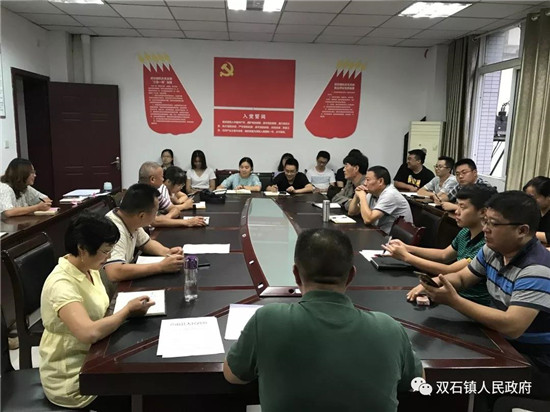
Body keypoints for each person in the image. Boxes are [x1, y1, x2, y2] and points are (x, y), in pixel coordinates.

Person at [223, 228, 423, 412]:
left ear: (295, 274)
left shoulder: (267, 321)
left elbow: (233, 375)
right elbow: (417, 381)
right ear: (351, 275)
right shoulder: (390, 329)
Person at [408, 191, 550, 399]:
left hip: (532, 361)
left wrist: (454, 301)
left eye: (493, 224)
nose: (485, 229)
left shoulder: (537, 269)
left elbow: (513, 325)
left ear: (522, 230)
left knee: (451, 385)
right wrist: (437, 283)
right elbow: (463, 278)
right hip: (497, 342)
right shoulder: (492, 250)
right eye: (485, 221)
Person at [39, 212, 154, 410]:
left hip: (97, 356)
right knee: (147, 394)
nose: (109, 257)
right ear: (82, 249)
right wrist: (126, 311)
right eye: (105, 251)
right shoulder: (61, 284)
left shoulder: (89, 268)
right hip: (75, 378)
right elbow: (88, 332)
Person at [385, 184, 497, 306]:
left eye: (462, 207)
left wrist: (406, 257)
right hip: (453, 294)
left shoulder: (486, 243)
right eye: (457, 205)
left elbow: (450, 270)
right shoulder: (465, 231)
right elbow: (443, 255)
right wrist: (408, 248)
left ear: (482, 212)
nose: (456, 211)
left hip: (472, 302)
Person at [103, 183, 185, 296]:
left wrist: (168, 252)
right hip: (111, 293)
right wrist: (160, 267)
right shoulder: (113, 228)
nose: (156, 216)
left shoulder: (129, 219)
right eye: (155, 212)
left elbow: (146, 243)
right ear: (141, 215)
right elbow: (115, 272)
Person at [138, 162, 205, 228]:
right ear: (152, 179)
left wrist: (166, 218)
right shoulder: (140, 195)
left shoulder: (155, 193)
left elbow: (175, 209)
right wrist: (187, 222)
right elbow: (154, 222)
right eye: (162, 177)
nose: (163, 179)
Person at [348, 166, 413, 234]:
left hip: (396, 238)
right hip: (380, 232)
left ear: (380, 181)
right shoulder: (372, 192)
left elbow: (368, 219)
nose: (364, 183)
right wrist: (356, 196)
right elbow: (351, 212)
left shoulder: (390, 195)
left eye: (368, 180)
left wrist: (362, 197)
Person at [523, 176, 550, 246]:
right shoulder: (531, 211)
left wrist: (529, 233)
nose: (528, 201)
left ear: (548, 197)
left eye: (532, 197)